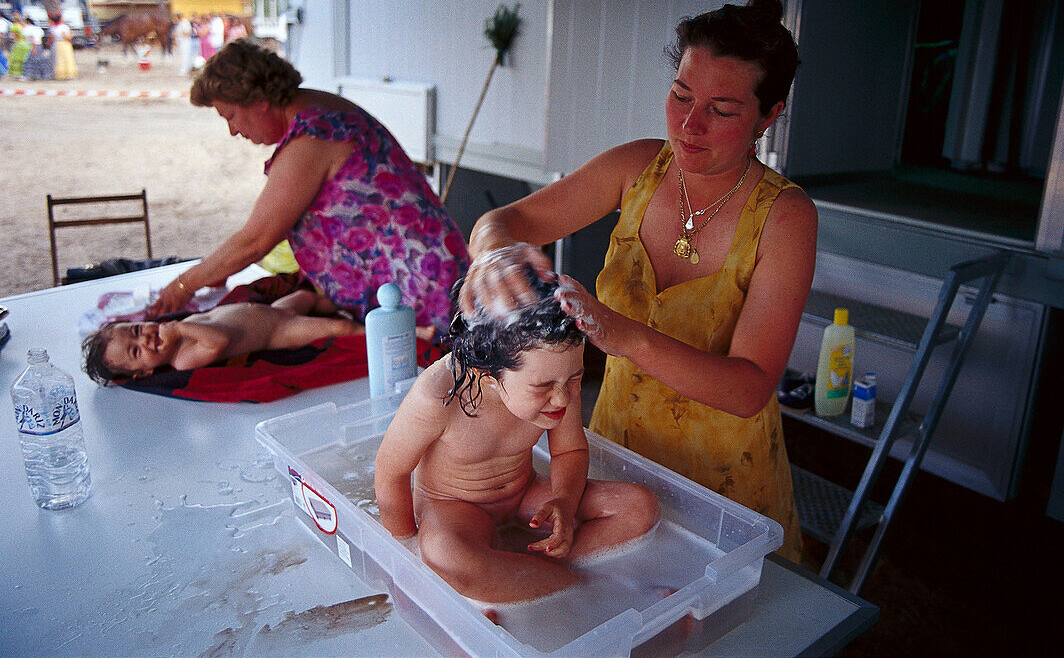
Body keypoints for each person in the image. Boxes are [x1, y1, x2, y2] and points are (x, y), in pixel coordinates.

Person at [459, 0, 814, 562]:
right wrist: (495, 259)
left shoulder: (785, 216)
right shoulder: (637, 169)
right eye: (680, 96)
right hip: (617, 448)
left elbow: (748, 389)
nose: (689, 124)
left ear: (768, 115)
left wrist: (620, 334)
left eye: (722, 111)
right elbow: (505, 221)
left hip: (723, 475)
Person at [375, 272, 660, 604]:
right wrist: (405, 552)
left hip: (525, 494)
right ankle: (579, 585)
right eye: (543, 388)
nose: (564, 399)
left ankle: (518, 576)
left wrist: (565, 505)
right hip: (455, 508)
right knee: (449, 556)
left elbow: (569, 451)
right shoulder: (437, 396)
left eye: (576, 378)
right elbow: (390, 473)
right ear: (489, 376)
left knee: (640, 508)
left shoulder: (556, 378)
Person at [147, 40, 469, 333]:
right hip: (429, 270)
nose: (232, 130)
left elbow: (256, 240)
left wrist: (182, 286)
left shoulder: (312, 135)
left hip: (421, 289)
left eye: (230, 116)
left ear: (259, 100)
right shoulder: (321, 107)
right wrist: (216, 271)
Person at [83, 290, 361, 383]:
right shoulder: (183, 358)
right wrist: (179, 328)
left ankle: (354, 307)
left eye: (135, 331)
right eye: (136, 352)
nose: (143, 340)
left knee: (307, 296)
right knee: (341, 331)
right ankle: (376, 329)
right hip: (279, 331)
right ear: (143, 373)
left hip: (274, 311)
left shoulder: (173, 328)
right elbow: (220, 340)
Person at [50, 12, 77, 81]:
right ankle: (69, 74)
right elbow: (67, 37)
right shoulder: (64, 27)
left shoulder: (54, 28)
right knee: (67, 58)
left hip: (58, 43)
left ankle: (60, 74)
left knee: (59, 59)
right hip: (65, 43)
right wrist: (72, 34)